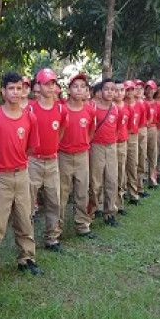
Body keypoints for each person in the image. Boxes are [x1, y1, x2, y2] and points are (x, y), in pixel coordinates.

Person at [0, 71, 43, 282]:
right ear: (3, 91)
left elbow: (31, 146)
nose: (15, 92)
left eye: (19, 88)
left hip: (22, 173)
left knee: (25, 218)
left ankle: (26, 258)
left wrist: (18, 163)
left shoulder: (29, 116)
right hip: (0, 176)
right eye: (11, 88)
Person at [28, 67, 66, 251]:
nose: (50, 87)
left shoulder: (61, 109)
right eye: (46, 84)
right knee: (28, 203)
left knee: (54, 201)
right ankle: (27, 241)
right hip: (33, 161)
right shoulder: (30, 109)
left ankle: (52, 237)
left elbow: (60, 132)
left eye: (53, 83)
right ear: (38, 86)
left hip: (52, 161)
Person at [58, 73, 95, 238]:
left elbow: (91, 131)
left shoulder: (89, 110)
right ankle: (56, 229)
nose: (79, 89)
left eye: (82, 87)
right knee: (61, 193)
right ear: (69, 90)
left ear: (87, 91)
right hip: (63, 156)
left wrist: (83, 144)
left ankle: (82, 225)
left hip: (82, 156)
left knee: (82, 192)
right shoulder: (62, 109)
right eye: (75, 86)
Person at [88, 79, 120, 227]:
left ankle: (110, 213)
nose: (109, 92)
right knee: (95, 182)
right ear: (100, 92)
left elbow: (117, 128)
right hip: (97, 147)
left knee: (112, 180)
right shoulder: (93, 107)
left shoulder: (115, 108)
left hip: (111, 146)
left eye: (112, 89)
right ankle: (92, 211)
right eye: (106, 89)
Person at [124, 81, 143, 205]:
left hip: (134, 137)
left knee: (133, 164)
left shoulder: (139, 105)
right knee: (121, 168)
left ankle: (133, 193)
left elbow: (140, 121)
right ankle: (122, 192)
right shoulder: (120, 105)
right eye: (127, 90)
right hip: (121, 138)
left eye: (132, 89)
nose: (130, 92)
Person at [114, 81, 129, 215]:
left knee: (120, 172)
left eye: (121, 90)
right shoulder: (110, 107)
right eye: (116, 90)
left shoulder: (127, 107)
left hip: (122, 143)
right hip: (110, 144)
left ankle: (119, 203)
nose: (119, 93)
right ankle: (103, 205)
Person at [142, 80, 159, 189]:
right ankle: (142, 177)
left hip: (152, 129)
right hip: (143, 129)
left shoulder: (157, 104)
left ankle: (152, 179)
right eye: (147, 88)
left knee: (152, 153)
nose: (149, 91)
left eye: (152, 89)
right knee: (142, 154)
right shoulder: (141, 102)